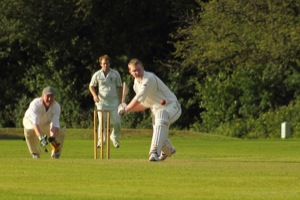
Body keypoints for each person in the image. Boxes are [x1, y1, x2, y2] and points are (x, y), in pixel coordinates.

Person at [118, 58, 182, 161]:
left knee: (161, 115)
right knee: (161, 136)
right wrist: (126, 110)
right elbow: (144, 105)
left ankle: (154, 152)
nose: (137, 72)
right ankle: (168, 151)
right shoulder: (136, 84)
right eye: (134, 71)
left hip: (172, 106)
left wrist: (126, 107)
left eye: (139, 69)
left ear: (143, 68)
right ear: (130, 72)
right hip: (156, 112)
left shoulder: (149, 78)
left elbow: (138, 99)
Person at [89, 54, 123, 148]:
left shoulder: (115, 74)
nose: (106, 65)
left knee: (117, 123)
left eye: (107, 63)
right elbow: (91, 86)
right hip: (101, 102)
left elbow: (120, 86)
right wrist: (94, 95)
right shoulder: (97, 74)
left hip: (113, 102)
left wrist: (120, 99)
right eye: (104, 64)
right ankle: (101, 140)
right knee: (101, 122)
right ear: (100, 64)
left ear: (109, 63)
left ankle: (114, 137)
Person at [23, 86, 66, 159]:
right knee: (29, 131)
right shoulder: (35, 104)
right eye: (47, 96)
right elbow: (35, 123)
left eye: (51, 96)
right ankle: (35, 153)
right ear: (42, 96)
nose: (49, 99)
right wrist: (41, 138)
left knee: (61, 130)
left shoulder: (56, 106)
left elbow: (54, 124)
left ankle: (56, 153)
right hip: (30, 121)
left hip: (45, 123)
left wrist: (52, 138)